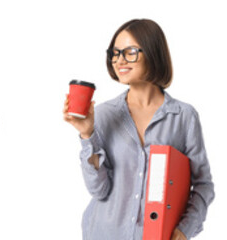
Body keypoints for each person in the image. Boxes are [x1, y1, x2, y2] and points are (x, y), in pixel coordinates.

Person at [63, 19, 212, 240]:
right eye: (115, 53)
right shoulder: (103, 114)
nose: (119, 60)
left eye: (130, 51)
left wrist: (184, 230)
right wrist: (87, 134)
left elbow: (203, 185)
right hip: (104, 233)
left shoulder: (184, 116)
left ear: (152, 52)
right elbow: (98, 190)